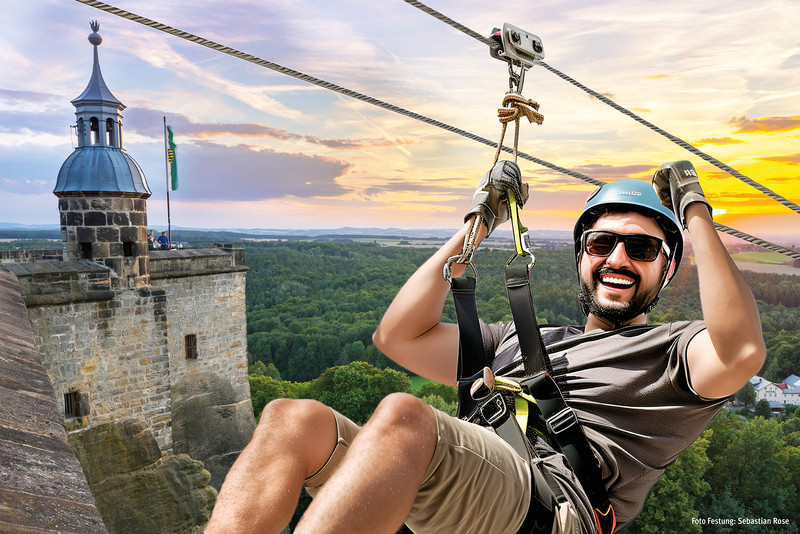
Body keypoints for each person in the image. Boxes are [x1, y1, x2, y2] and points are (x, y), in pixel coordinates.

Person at [205, 160, 765, 534]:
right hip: (465, 491)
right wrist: (481, 222)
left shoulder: (672, 352)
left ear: (667, 269)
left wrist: (694, 213)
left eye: (642, 248)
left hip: (554, 509)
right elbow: (398, 335)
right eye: (601, 243)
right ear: (581, 256)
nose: (617, 258)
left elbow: (740, 350)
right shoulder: (522, 341)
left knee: (405, 414)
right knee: (291, 417)